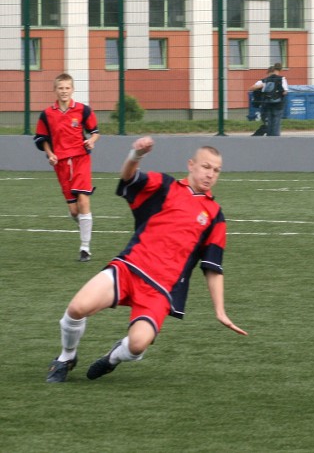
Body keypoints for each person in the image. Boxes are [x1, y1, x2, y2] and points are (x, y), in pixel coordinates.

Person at [46, 137, 248, 383]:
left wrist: (220, 311)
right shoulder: (165, 186)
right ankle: (66, 357)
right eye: (206, 166)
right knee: (77, 308)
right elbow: (129, 177)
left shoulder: (215, 216)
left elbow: (213, 267)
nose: (210, 174)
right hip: (129, 268)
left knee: (137, 346)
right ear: (191, 164)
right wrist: (135, 154)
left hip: (160, 290)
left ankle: (112, 358)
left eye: (216, 170)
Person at [34, 73, 100, 262]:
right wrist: (50, 154)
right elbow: (41, 138)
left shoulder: (83, 110)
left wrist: (91, 141)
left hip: (81, 160)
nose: (64, 91)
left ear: (72, 89)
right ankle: (85, 226)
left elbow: (95, 132)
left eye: (67, 88)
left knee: (83, 200)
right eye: (60, 88)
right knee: (73, 210)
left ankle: (85, 248)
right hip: (61, 163)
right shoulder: (47, 114)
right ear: (55, 90)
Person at [248, 62, 288, 136]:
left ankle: (268, 137)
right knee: (276, 122)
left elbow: (251, 88)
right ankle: (275, 138)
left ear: (269, 72)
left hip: (266, 104)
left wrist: (262, 86)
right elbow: (285, 92)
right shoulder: (282, 79)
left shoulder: (264, 80)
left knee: (268, 122)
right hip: (278, 104)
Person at [250, 66, 274, 136]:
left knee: (272, 123)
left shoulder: (279, 80)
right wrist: (262, 86)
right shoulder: (263, 81)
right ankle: (258, 134)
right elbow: (252, 88)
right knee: (267, 122)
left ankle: (266, 134)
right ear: (269, 73)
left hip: (274, 105)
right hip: (265, 105)